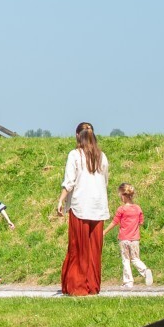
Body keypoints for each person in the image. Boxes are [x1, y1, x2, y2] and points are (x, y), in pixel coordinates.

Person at [53, 122, 111, 296]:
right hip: (98, 205)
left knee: (79, 247)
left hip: (80, 205)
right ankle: (92, 286)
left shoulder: (74, 155)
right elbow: (105, 181)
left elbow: (70, 181)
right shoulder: (102, 156)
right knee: (94, 249)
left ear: (78, 135)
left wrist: (61, 200)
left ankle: (77, 286)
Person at [112, 182, 154, 288]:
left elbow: (114, 222)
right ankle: (145, 270)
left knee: (126, 260)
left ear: (123, 195)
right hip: (135, 239)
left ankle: (128, 282)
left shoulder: (121, 209)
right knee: (135, 258)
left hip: (124, 239)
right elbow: (141, 222)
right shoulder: (138, 208)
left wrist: (104, 232)